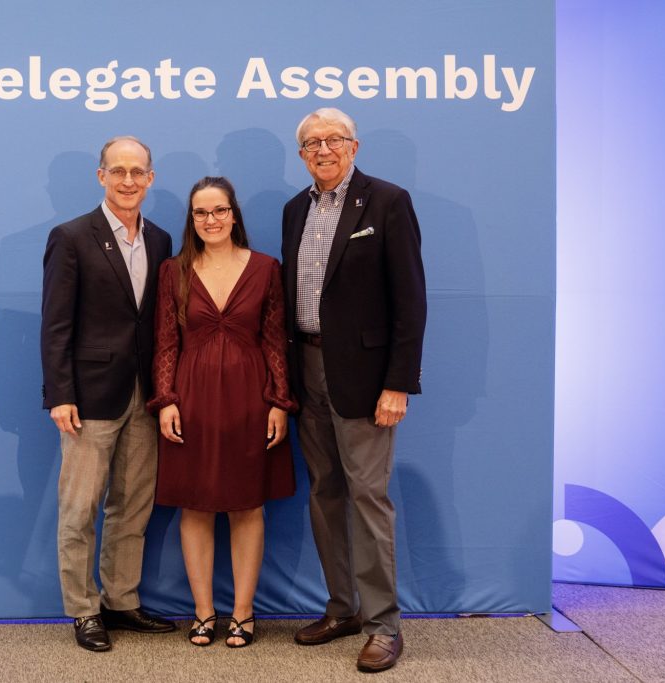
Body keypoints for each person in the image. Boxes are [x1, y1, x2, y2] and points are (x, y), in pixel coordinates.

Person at [281, 109, 427, 673]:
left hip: (366, 381)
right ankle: (341, 607)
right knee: (324, 493)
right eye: (311, 143)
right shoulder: (296, 209)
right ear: (301, 155)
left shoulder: (388, 202)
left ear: (354, 146)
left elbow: (410, 302)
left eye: (333, 140)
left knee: (368, 497)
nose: (323, 149)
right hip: (307, 370)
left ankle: (384, 625)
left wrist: (398, 383)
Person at [147, 176, 296, 648]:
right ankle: (204, 612)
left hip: (251, 400)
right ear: (192, 220)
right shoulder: (174, 271)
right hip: (191, 400)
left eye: (219, 210)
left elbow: (275, 341)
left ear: (234, 214)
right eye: (200, 212)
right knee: (195, 505)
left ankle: (244, 614)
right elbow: (165, 342)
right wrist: (166, 399)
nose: (210, 220)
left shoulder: (266, 267)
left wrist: (279, 403)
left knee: (246, 506)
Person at [41, 135, 175, 652]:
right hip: (89, 398)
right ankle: (83, 610)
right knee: (79, 510)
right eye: (117, 171)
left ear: (150, 178)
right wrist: (60, 393)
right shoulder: (71, 236)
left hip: (145, 397)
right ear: (101, 176)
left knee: (133, 506)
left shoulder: (161, 240)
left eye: (137, 171)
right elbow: (56, 325)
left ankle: (121, 601)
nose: (127, 180)